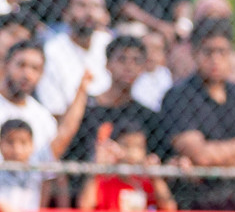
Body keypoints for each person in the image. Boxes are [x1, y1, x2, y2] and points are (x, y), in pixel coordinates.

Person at [161, 17, 235, 211]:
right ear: (195, 53)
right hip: (192, 207)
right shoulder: (179, 96)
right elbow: (200, 156)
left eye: (222, 52)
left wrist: (210, 161)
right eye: (208, 51)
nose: (215, 59)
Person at [61, 33, 164, 203]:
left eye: (136, 61)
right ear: (108, 64)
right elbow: (67, 157)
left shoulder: (148, 116)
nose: (129, 66)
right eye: (122, 59)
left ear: (143, 68)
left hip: (132, 200)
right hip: (87, 198)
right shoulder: (87, 109)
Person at [0, 38, 87, 165]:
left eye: (35, 68)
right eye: (21, 65)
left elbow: (47, 169)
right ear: (6, 65)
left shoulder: (43, 118)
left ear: (42, 74)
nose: (27, 74)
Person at [36, 0, 111, 116]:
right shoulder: (52, 50)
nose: (89, 12)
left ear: (105, 15)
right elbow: (54, 109)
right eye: (81, 5)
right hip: (69, 121)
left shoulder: (109, 43)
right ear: (66, 13)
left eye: (96, 6)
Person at [77, 118, 176, 212]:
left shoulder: (147, 181)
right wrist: (97, 168)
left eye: (138, 147)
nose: (133, 153)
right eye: (126, 146)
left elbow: (169, 208)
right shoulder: (106, 179)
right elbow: (85, 206)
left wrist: (156, 177)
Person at [0, 118, 45, 212]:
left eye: (23, 143)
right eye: (10, 142)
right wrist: (2, 205)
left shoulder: (38, 169)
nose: (17, 150)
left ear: (32, 145)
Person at [132, 29, 173, 109]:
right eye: (145, 48)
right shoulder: (128, 76)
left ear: (164, 54)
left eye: (156, 49)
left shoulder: (170, 79)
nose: (150, 53)